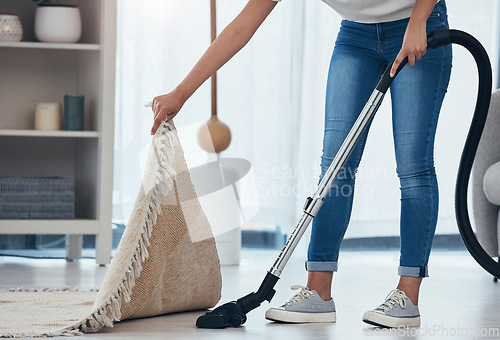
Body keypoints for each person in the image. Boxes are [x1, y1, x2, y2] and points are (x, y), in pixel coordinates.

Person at [150, 0, 452, 329]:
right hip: (355, 37)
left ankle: (407, 295)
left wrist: (419, 19)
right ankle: (318, 293)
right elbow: (241, 27)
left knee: (412, 166)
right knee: (335, 168)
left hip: (418, 24)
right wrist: (181, 93)